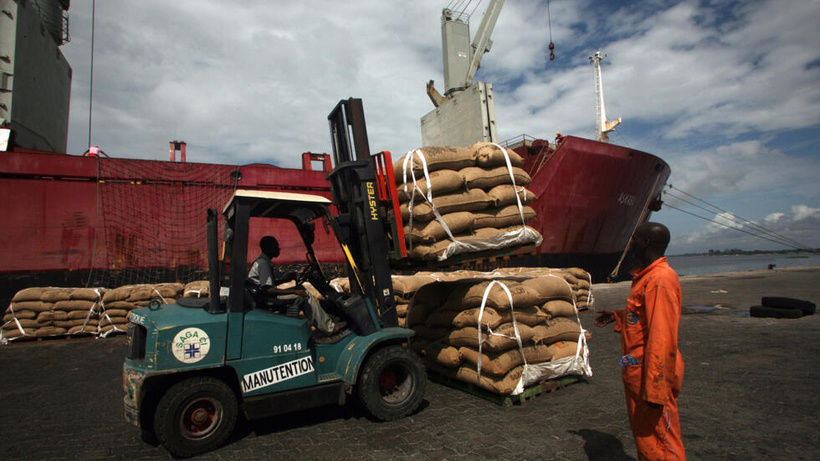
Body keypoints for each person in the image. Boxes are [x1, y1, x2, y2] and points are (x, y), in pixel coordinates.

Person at [595, 222, 686, 460]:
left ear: (645, 243)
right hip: (638, 373)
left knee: (663, 441)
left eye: (634, 238)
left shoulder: (659, 280)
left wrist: (656, 390)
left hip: (651, 375)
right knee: (648, 440)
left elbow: (662, 335)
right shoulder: (646, 278)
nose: (630, 242)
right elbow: (645, 317)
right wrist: (619, 316)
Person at [248, 236, 341, 336]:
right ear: (268, 248)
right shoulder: (263, 264)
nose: (278, 248)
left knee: (301, 290)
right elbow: (268, 289)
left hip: (265, 296)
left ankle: (317, 325)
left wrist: (286, 279)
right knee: (305, 295)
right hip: (268, 298)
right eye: (275, 246)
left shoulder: (262, 262)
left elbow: (268, 284)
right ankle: (329, 328)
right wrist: (294, 292)